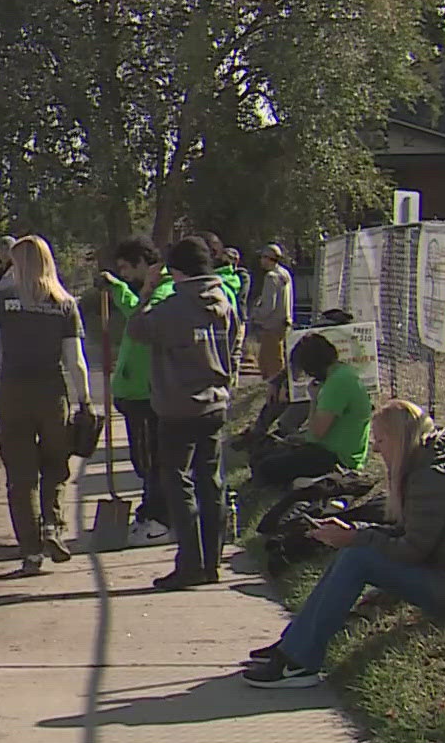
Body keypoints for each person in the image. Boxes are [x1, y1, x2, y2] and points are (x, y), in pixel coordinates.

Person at [244, 400, 445, 687]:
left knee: (357, 558)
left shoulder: (433, 477)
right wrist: (353, 531)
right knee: (354, 552)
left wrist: (357, 537)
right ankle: (293, 644)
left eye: (381, 440)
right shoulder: (429, 467)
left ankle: (299, 661)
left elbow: (413, 550)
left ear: (399, 439)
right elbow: (407, 533)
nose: (378, 449)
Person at [0, 236, 93, 576]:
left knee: (20, 477)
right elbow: (75, 360)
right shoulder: (64, 303)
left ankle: (30, 552)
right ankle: (53, 524)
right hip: (52, 394)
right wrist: (85, 399)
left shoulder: (2, 300)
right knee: (55, 464)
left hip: (13, 393)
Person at [127, 236, 243, 590]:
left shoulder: (173, 308)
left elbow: (136, 329)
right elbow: (236, 343)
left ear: (175, 271)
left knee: (178, 481)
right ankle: (212, 561)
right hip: (215, 402)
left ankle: (189, 561)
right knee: (211, 481)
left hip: (178, 405)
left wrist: (147, 291)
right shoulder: (223, 301)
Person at [98, 237, 174, 545]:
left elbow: (140, 318)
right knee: (144, 459)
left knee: (150, 461)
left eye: (127, 268)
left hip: (147, 393)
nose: (126, 275)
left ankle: (159, 518)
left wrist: (119, 289)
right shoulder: (151, 291)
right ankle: (150, 511)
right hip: (135, 392)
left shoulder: (164, 292)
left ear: (144, 263)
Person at [249, 333, 372, 487]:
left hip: (337, 458)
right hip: (331, 449)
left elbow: (317, 433)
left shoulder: (336, 384)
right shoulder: (342, 373)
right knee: (260, 455)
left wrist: (314, 399)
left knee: (264, 467)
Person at [251, 243, 295, 383]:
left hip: (271, 326)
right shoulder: (284, 274)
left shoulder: (271, 277)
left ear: (269, 258)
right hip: (284, 323)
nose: (261, 261)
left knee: (270, 365)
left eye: (263, 257)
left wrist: (256, 315)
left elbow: (269, 306)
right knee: (275, 359)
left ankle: (274, 394)